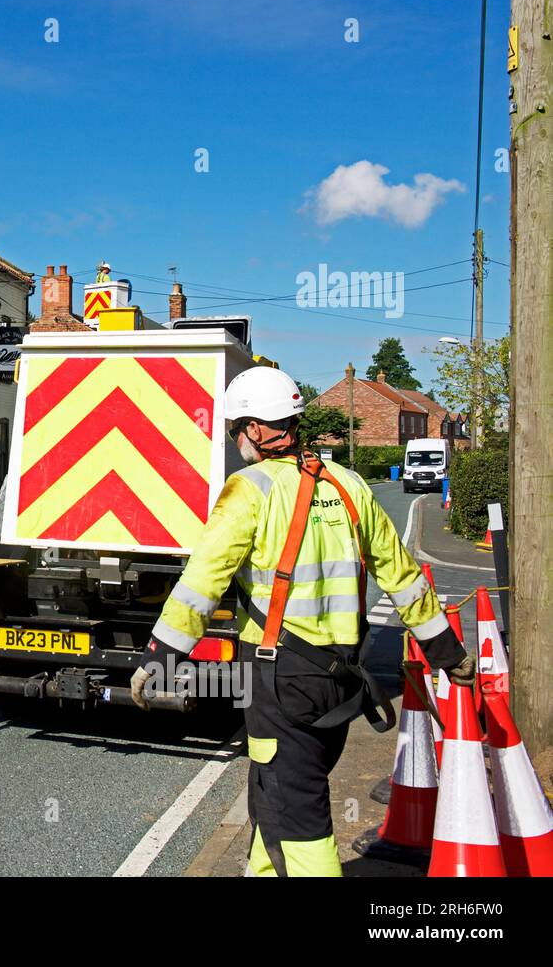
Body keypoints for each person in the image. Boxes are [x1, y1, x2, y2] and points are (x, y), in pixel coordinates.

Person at [129, 366, 474, 877]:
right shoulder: (351, 485)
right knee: (273, 795)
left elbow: (202, 583)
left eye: (237, 429)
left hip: (278, 679)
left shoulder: (248, 489)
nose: (236, 440)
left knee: (297, 816)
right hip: (340, 679)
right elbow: (404, 580)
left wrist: (158, 660)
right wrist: (449, 655)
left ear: (257, 429)